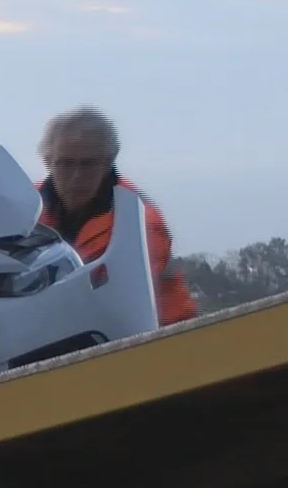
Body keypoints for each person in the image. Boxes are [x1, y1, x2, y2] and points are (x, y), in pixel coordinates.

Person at [35, 107, 199, 327]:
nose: (76, 176)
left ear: (108, 162)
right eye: (65, 163)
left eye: (88, 164)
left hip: (158, 339)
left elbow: (106, 294)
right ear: (47, 161)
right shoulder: (22, 209)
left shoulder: (139, 221)